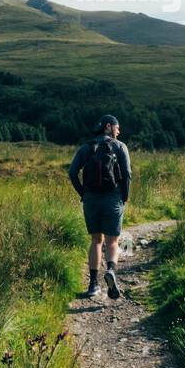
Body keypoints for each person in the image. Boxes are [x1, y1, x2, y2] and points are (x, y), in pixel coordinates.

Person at [67, 114, 131, 299]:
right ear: (108, 127)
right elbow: (126, 174)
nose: (119, 131)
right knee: (112, 241)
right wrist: (124, 196)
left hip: (91, 200)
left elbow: (72, 173)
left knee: (96, 240)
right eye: (117, 128)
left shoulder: (86, 147)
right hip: (113, 198)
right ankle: (110, 270)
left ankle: (93, 285)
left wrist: (83, 193)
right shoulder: (120, 147)